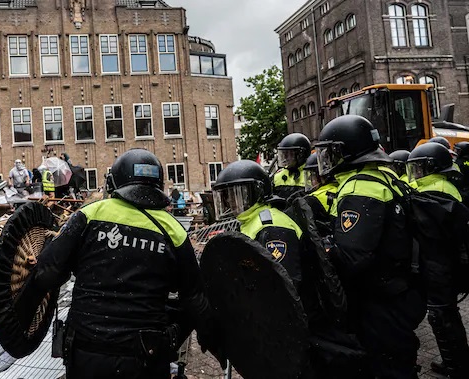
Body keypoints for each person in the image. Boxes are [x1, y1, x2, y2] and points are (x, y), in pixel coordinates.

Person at [15, 149, 220, 378]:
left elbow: (47, 274)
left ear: (114, 182)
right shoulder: (173, 230)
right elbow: (194, 298)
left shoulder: (89, 215)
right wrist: (213, 341)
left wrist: (18, 323)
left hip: (86, 352)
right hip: (145, 357)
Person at [316, 115, 426, 378]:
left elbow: (352, 257)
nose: (326, 160)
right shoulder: (384, 176)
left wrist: (324, 251)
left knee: (385, 367)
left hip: (379, 300)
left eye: (331, 153)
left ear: (348, 151)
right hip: (401, 289)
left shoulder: (359, 187)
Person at [406, 142, 469, 378]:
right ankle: (457, 362)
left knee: (442, 316)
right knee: (446, 315)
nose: (415, 174)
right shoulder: (441, 185)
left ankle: (456, 367)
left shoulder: (435, 189)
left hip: (439, 264)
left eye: (419, 168)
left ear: (432, 167)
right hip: (443, 261)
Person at [213, 160, 303, 287]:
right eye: (227, 195)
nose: (230, 200)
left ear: (257, 191)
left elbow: (285, 283)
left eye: (237, 194)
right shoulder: (249, 221)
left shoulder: (272, 227)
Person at [303, 153, 338, 239]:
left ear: (322, 176)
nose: (310, 179)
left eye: (312, 175)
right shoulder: (344, 189)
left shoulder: (313, 199)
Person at [273, 133, 311, 201]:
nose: (285, 157)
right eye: (283, 153)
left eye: (289, 154)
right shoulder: (278, 176)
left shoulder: (311, 175)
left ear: (300, 154)